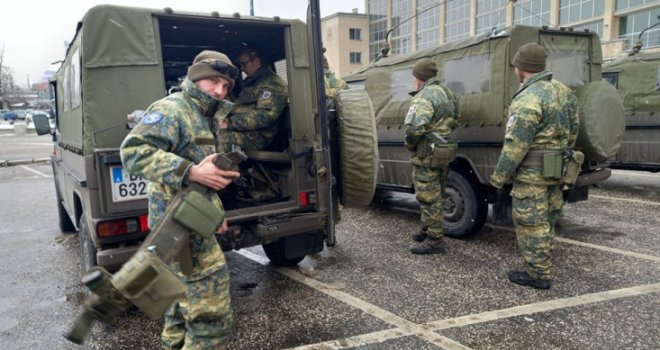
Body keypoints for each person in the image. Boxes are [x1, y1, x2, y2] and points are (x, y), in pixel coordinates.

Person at [120, 50, 241, 349]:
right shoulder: (174, 109)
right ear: (196, 77)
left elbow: (205, 177)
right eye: (213, 81)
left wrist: (215, 212)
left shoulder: (205, 115)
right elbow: (133, 151)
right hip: (179, 231)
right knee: (210, 320)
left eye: (225, 86)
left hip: (191, 224)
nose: (219, 90)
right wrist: (188, 171)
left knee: (177, 312)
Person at [489, 43, 579, 290]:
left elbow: (515, 146)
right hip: (556, 168)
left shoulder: (527, 97)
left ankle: (538, 274)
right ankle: (543, 264)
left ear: (521, 68)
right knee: (548, 219)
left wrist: (496, 181)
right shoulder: (564, 91)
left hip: (532, 174)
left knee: (531, 224)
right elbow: (573, 132)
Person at [405, 58, 459, 255]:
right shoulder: (448, 93)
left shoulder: (423, 96)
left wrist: (411, 145)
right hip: (444, 150)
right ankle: (427, 229)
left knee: (428, 195)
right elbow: (456, 119)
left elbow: (414, 127)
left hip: (427, 152)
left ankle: (434, 240)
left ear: (418, 78)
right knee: (438, 190)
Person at [217, 47, 288, 152]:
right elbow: (245, 107)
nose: (242, 68)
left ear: (256, 61)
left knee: (214, 141)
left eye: (244, 64)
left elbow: (264, 117)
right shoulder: (254, 82)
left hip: (257, 137)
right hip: (244, 131)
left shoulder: (272, 84)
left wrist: (228, 123)